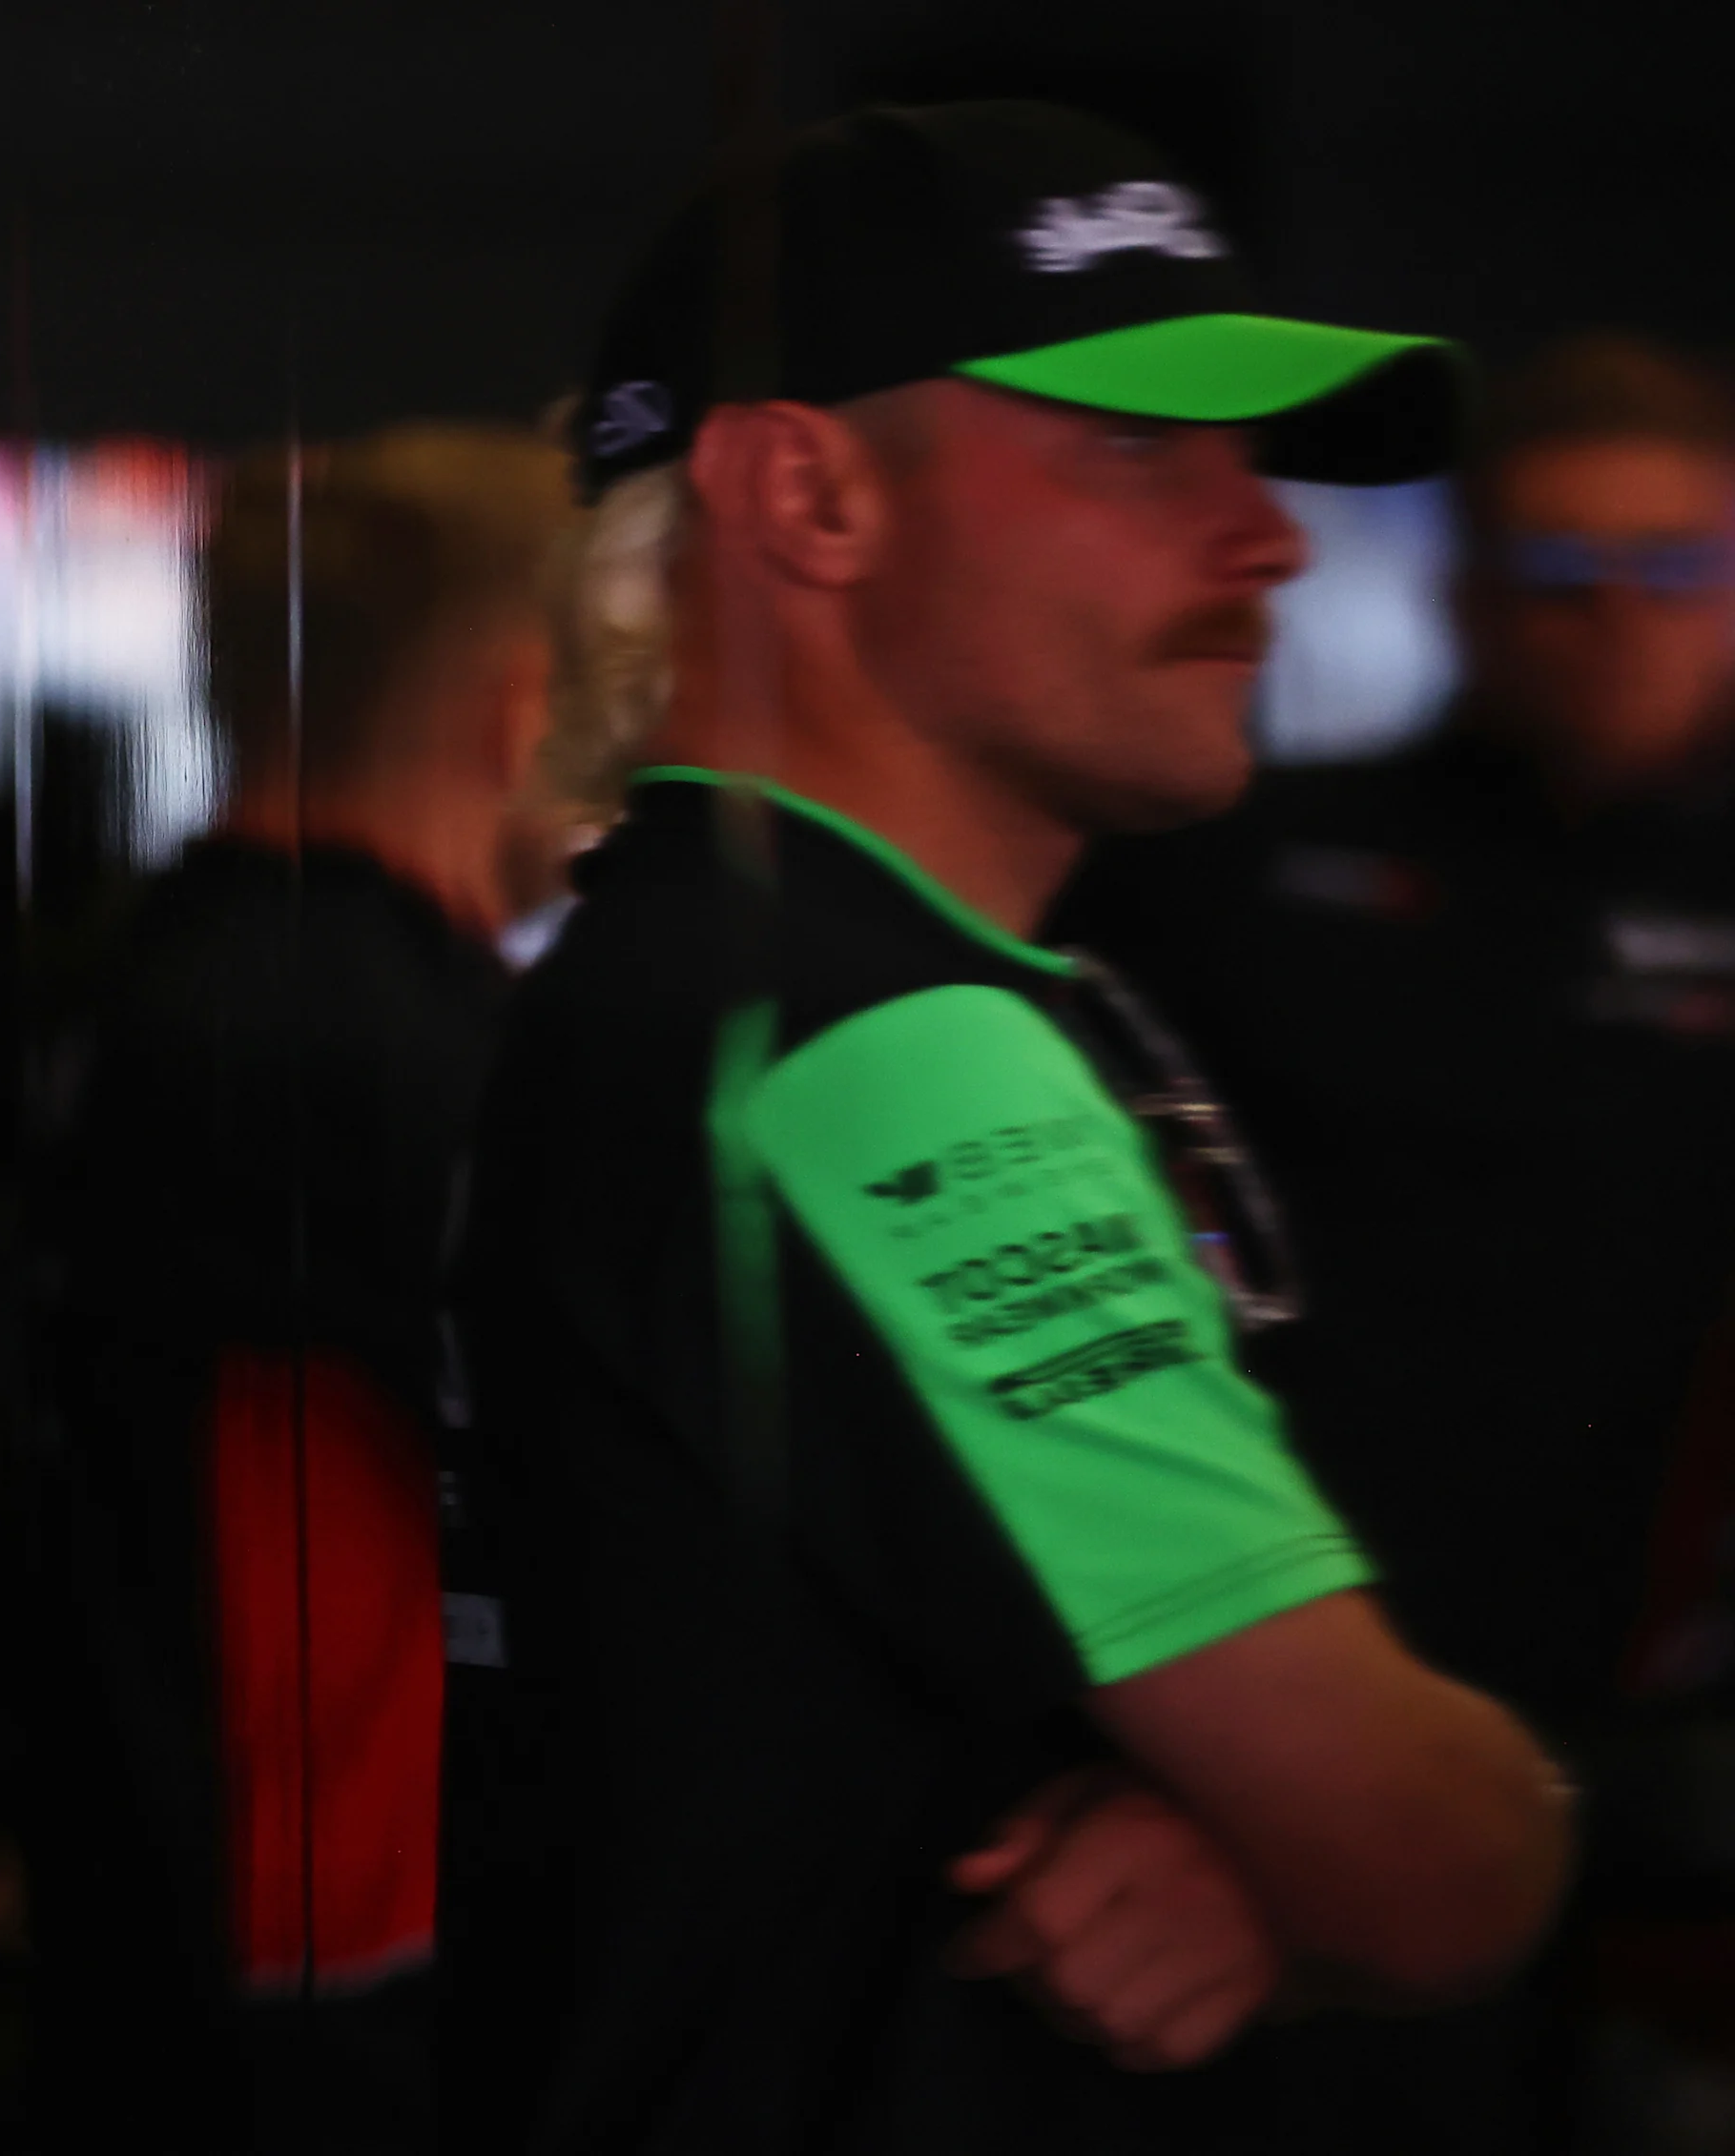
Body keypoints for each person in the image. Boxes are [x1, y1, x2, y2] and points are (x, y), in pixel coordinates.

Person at [438, 101, 1574, 2152]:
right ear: (805, 492)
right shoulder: (873, 1048)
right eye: (1136, 445)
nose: (1270, 537)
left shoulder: (720, 971)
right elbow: (1426, 1859)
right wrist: (1386, 1843)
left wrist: (1266, 1858)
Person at [1053, 335, 1735, 2147]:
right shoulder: (1247, 859)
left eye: (1666, 564)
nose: (1609, 613)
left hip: (1661, 1730)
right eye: (1556, 565)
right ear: (1468, 585)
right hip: (1289, 1702)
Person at [21, 426, 571, 2152]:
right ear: (519, 704)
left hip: (163, 1939)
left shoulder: (147, 982)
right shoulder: (382, 1048)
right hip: (339, 1991)